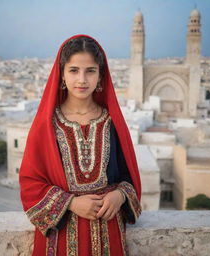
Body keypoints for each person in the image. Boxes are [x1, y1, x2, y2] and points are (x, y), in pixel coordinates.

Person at [19, 34, 142, 256]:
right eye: (74, 70)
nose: (82, 79)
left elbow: (128, 176)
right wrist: (71, 203)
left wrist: (120, 195)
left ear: (101, 76)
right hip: (61, 236)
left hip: (109, 231)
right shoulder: (47, 125)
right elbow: (30, 182)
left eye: (90, 71)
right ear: (62, 75)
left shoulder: (112, 122)